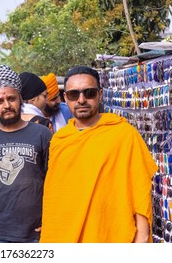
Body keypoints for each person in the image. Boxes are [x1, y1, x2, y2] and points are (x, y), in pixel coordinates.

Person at [40, 66, 157, 243]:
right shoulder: (60, 140)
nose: (81, 100)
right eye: (73, 95)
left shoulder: (124, 135)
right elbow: (56, 197)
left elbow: (140, 190)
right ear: (66, 98)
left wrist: (141, 238)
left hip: (110, 235)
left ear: (100, 95)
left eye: (89, 93)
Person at [0, 65, 52, 243]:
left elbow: (54, 181)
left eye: (11, 99)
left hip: (35, 234)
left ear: (20, 98)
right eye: (0, 101)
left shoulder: (42, 134)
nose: (7, 105)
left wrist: (51, 219)